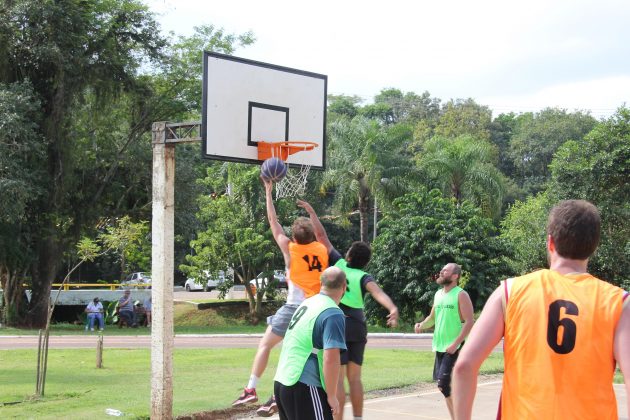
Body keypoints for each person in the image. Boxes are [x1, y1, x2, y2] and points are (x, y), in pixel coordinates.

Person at [452, 199, 630, 420]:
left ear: (550, 243)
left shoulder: (510, 291)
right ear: (593, 247)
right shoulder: (618, 302)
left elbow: (464, 366)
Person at [232, 178, 330, 417]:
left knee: (266, 345)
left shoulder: (290, 249)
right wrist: (312, 213)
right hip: (315, 310)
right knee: (298, 352)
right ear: (312, 237)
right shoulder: (321, 249)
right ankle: (276, 396)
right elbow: (321, 233)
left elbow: (273, 222)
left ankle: (251, 389)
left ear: (294, 237)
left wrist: (268, 191)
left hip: (294, 308)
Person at [298, 199, 398, 420]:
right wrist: (392, 308)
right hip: (358, 324)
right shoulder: (364, 276)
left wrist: (312, 211)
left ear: (349, 256)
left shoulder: (339, 264)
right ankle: (358, 418)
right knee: (355, 379)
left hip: (341, 322)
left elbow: (321, 236)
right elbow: (377, 292)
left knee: (338, 380)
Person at [273, 266, 347, 420]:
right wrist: (332, 395)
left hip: (283, 380)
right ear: (344, 286)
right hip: (305, 385)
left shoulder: (307, 303)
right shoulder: (333, 313)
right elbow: (331, 358)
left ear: (321, 283)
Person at [414, 263, 474, 420]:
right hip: (440, 347)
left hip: (454, 347)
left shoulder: (461, 294)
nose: (441, 272)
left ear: (455, 276)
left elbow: (469, 321)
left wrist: (456, 343)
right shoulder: (438, 294)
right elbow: (432, 318)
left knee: (444, 385)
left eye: (445, 270)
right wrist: (421, 325)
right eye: (441, 270)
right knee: (447, 388)